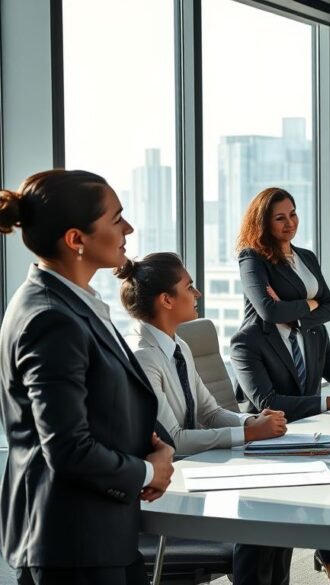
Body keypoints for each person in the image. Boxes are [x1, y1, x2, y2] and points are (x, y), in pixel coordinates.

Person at [0, 170, 175, 585]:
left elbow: (97, 406)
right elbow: (67, 447)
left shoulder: (73, 304)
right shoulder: (50, 317)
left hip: (97, 536)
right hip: (73, 547)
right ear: (76, 239)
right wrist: (149, 472)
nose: (128, 228)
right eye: (117, 219)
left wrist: (149, 444)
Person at [231, 188, 330, 585]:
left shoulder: (311, 323)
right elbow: (269, 311)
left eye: (293, 214)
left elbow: (329, 309)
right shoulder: (252, 262)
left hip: (306, 431)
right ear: (263, 221)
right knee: (275, 526)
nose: (289, 222)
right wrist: (307, 305)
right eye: (279, 217)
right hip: (267, 436)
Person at [118, 252, 288, 456]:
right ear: (166, 300)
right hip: (166, 475)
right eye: (189, 287)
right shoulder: (142, 357)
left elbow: (210, 413)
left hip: (194, 463)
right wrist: (249, 433)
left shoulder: (178, 345)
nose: (197, 293)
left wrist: (253, 420)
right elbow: (173, 440)